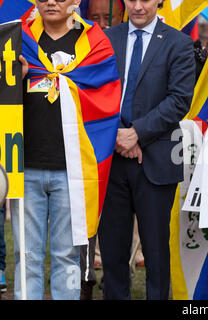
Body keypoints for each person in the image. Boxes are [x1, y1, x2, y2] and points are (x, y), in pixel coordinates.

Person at [16, 0, 121, 300]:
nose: (51, 2)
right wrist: (14, 80)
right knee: (27, 256)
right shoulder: (18, 39)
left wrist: (66, 81)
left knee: (66, 257)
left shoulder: (95, 44)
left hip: (73, 173)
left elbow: (108, 100)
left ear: (75, 1)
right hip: (26, 167)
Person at [98, 0, 196, 300]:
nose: (138, 6)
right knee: (112, 249)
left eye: (146, 0)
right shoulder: (105, 39)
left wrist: (137, 133)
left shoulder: (179, 43)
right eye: (131, 0)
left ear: (159, 1)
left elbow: (179, 100)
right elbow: (93, 91)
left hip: (155, 159)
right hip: (110, 157)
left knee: (155, 249)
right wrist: (116, 135)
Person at [79, 0, 125, 301]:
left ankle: (116, 283)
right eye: (93, 17)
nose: (101, 23)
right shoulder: (81, 47)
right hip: (89, 151)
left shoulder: (124, 45)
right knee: (85, 225)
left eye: (106, 17)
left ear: (119, 15)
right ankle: (84, 280)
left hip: (127, 147)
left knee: (120, 231)